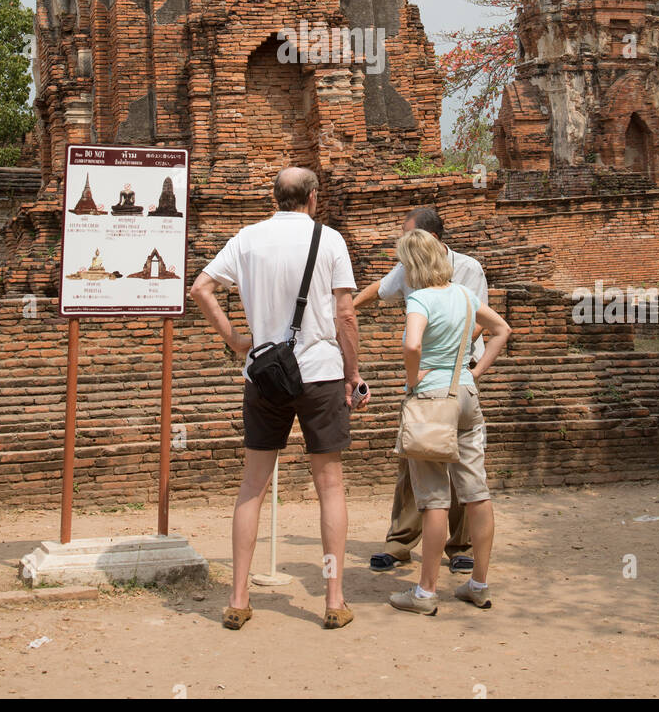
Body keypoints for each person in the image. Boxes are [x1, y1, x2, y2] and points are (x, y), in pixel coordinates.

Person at [189, 166, 365, 631]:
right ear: (312, 198)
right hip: (321, 374)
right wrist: (353, 374)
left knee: (253, 485)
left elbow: (201, 288)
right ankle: (333, 597)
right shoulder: (329, 240)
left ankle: (239, 597)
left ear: (276, 198)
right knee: (329, 487)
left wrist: (235, 340)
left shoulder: (247, 238)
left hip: (264, 375)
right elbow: (346, 313)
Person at [354, 205, 502, 572]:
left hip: (449, 378)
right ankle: (402, 542)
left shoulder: (463, 273)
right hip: (457, 386)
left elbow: (425, 341)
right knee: (419, 462)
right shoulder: (410, 271)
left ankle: (455, 553)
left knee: (450, 475)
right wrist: (346, 309)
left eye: (406, 237)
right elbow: (381, 289)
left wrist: (426, 374)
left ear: (428, 241)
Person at [387, 228, 511, 616]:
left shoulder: (420, 299)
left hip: (431, 402)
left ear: (412, 265)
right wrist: (475, 373)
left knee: (435, 499)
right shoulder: (464, 294)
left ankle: (425, 593)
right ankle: (478, 584)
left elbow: (412, 344)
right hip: (466, 396)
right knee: (476, 490)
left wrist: (412, 379)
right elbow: (501, 330)